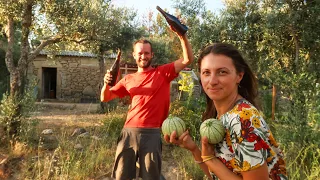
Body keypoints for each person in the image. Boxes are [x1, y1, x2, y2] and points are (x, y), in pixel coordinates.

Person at [165, 43, 287, 180]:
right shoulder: (223, 115)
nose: (212, 81)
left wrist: (210, 159)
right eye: (206, 72)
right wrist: (194, 149)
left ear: (239, 76)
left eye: (222, 72)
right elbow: (218, 175)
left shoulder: (242, 120)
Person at [100, 34, 193, 179]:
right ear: (134, 55)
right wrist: (106, 83)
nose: (143, 56)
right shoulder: (128, 79)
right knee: (121, 176)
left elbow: (188, 59)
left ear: (152, 55)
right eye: (140, 53)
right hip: (128, 133)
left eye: (146, 53)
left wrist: (182, 36)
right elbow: (105, 97)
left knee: (151, 176)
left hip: (152, 134)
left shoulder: (163, 72)